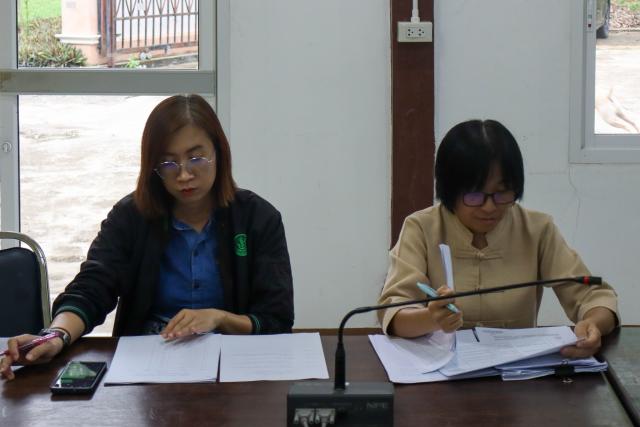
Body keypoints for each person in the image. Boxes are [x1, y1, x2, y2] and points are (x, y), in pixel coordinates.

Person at [1, 94, 294, 380]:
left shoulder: (257, 218)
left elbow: (276, 318)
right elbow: (92, 288)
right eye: (168, 163)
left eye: (196, 158)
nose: (184, 175)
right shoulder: (131, 216)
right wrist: (56, 335)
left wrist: (220, 318)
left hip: (233, 364)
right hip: (149, 362)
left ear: (219, 153)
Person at [378, 119, 618, 358]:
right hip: (441, 370)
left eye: (502, 193)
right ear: (449, 191)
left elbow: (594, 297)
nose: (490, 207)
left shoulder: (537, 229)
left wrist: (593, 324)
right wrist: (431, 318)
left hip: (517, 371)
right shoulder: (421, 228)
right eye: (475, 194)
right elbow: (395, 313)